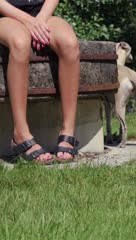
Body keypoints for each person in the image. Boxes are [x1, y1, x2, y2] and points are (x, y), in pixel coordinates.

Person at [0, 0, 80, 163]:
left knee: (69, 44)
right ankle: (20, 135)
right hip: (4, 16)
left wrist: (40, 20)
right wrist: (29, 22)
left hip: (41, 14)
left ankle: (68, 131)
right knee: (20, 42)